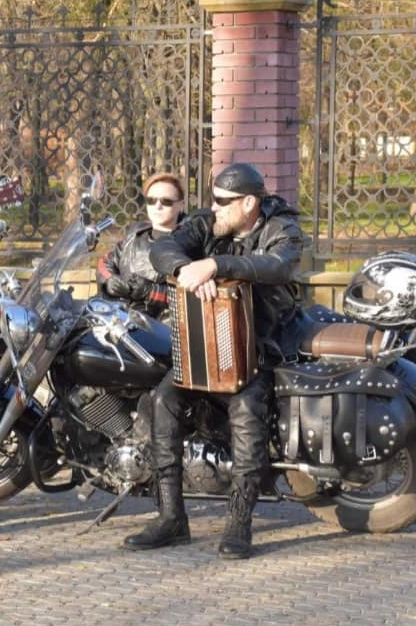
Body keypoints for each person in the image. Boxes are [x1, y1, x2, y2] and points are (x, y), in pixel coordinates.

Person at [123, 163, 305, 559]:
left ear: (249, 203)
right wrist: (186, 266)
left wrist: (217, 265)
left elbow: (278, 266)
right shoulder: (208, 223)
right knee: (162, 402)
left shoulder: (282, 228)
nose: (214, 208)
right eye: (213, 200)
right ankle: (171, 518)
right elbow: (162, 248)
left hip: (260, 346)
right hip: (203, 346)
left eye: (223, 202)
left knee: (247, 413)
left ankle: (239, 524)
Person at [96, 173, 185, 318]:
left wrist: (151, 291)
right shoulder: (136, 232)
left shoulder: (190, 241)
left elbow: (190, 296)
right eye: (151, 200)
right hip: (118, 320)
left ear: (181, 204)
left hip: (161, 329)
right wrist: (109, 281)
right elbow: (106, 262)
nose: (158, 206)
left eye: (166, 201)